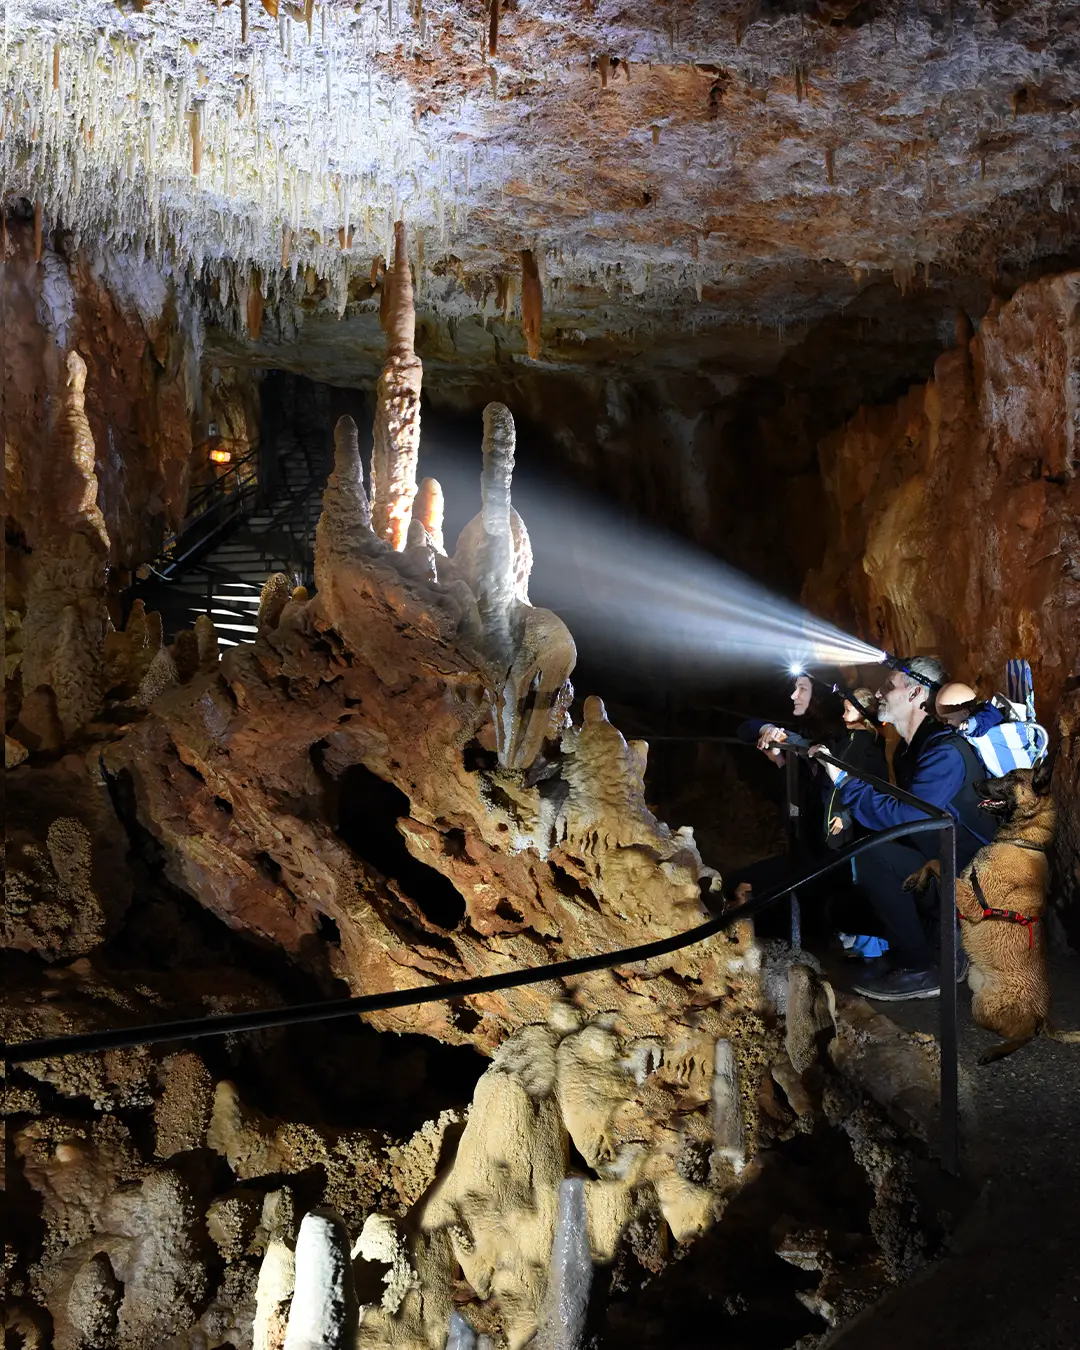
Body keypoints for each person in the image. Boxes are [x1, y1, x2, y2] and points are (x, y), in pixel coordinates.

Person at [812, 656, 997, 1002]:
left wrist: (845, 782)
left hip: (969, 877)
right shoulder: (910, 752)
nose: (880, 692)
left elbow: (906, 816)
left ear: (915, 694)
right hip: (937, 860)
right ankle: (940, 938)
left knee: (872, 855)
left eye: (889, 685)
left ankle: (923, 968)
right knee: (842, 909)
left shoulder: (945, 753)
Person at [936, 680, 1049, 777]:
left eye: (948, 719)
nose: (947, 723)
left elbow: (987, 719)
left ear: (965, 713)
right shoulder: (964, 724)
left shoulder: (986, 715)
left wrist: (972, 724)